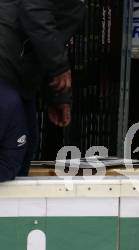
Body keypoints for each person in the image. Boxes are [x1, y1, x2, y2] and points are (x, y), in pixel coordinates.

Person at [0, 0, 86, 182]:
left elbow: (48, 39)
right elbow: (35, 10)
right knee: (12, 153)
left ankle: (15, 210)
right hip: (5, 69)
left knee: (23, 146)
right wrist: (59, 67)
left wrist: (57, 96)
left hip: (18, 73)